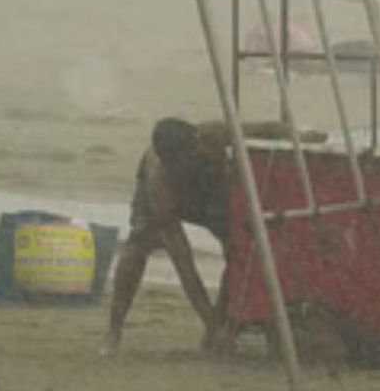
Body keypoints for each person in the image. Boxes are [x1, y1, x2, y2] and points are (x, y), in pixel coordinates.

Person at [100, 117, 320, 356]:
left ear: (197, 142)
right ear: (170, 162)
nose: (190, 161)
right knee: (138, 243)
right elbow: (185, 266)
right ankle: (114, 330)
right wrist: (208, 321)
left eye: (193, 154)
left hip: (210, 188)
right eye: (181, 163)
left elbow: (269, 129)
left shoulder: (214, 134)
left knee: (238, 246)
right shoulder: (160, 183)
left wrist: (302, 137)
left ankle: (219, 325)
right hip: (168, 197)